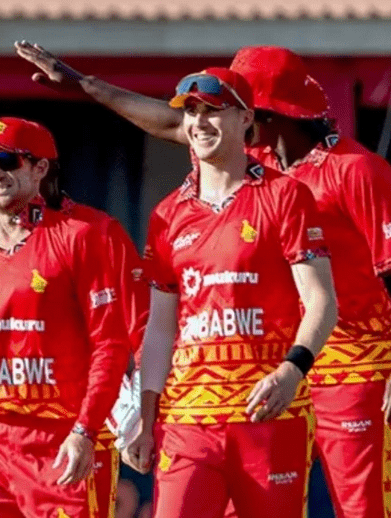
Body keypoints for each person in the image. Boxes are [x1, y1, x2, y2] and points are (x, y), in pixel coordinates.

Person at [17, 42, 391, 518]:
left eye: (226, 108)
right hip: (258, 371)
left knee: (361, 508)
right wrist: (86, 86)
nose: (198, 125)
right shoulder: (252, 162)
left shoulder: (356, 171)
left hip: (353, 368)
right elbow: (172, 123)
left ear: (260, 115)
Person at [125, 67, 337, 517]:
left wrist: (291, 372)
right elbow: (160, 328)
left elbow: (321, 302)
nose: (199, 122)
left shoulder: (286, 196)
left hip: (268, 417)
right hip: (187, 421)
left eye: (213, 110)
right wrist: (146, 417)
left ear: (245, 119)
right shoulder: (167, 214)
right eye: (191, 112)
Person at [0, 116, 138, 518]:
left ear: (40, 168)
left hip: (61, 440)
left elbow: (110, 344)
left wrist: (85, 430)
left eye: (8, 161)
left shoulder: (81, 235)